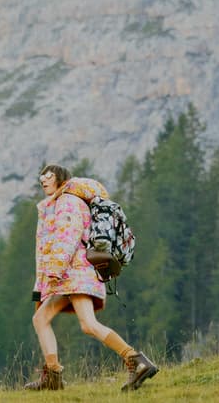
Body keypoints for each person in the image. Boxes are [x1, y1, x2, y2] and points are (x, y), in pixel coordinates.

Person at [24, 164, 159, 391]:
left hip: (75, 273)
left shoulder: (67, 201)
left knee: (88, 324)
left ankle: (136, 361)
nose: (43, 181)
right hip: (71, 275)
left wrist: (55, 270)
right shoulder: (68, 200)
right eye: (41, 178)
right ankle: (53, 375)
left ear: (61, 178)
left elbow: (68, 237)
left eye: (49, 176)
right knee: (41, 318)